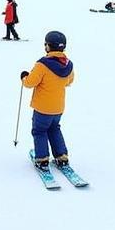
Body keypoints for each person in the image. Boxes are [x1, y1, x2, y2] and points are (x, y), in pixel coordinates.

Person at [21, 31, 75, 171]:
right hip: (58, 108)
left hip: (42, 108)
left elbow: (30, 83)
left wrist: (24, 77)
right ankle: (61, 157)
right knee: (54, 129)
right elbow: (69, 81)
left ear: (49, 46)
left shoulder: (42, 64)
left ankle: (42, 159)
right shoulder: (68, 65)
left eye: (45, 44)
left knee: (39, 131)